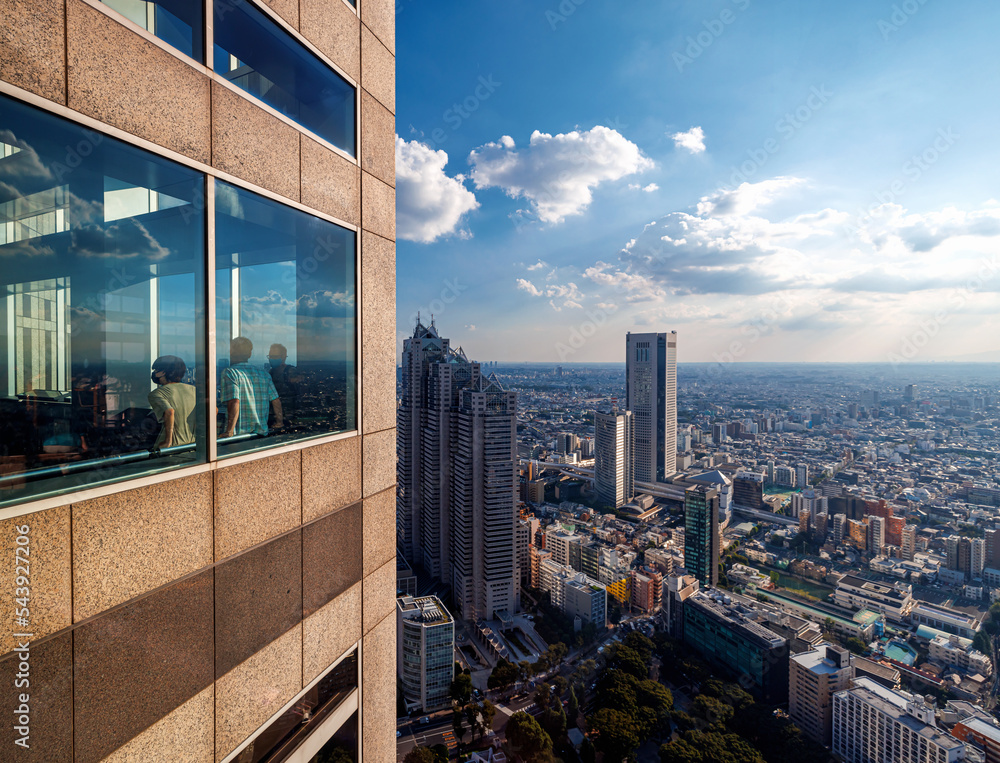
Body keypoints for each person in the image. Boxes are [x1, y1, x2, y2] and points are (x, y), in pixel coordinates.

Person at [220, 336, 282, 438]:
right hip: (261, 434)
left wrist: (229, 431)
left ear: (231, 351)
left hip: (239, 436)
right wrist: (279, 422)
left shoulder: (230, 373)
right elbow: (276, 400)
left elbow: (234, 401)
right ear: (249, 354)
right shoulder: (264, 374)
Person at [148, 355, 196, 449]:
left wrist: (168, 442)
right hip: (193, 445)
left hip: (172, 448)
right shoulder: (194, 390)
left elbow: (169, 412)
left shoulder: (156, 394)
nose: (154, 373)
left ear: (163, 372)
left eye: (156, 370)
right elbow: (214, 410)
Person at [267, 343, 300, 427]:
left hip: (288, 417)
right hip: (273, 416)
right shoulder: (270, 373)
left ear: (283, 357)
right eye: (270, 356)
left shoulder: (290, 372)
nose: (271, 359)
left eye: (274, 356)